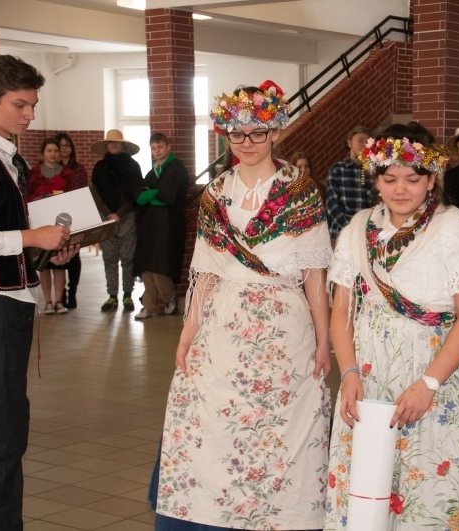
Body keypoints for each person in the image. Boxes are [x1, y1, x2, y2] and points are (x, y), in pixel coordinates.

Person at [154, 80, 332, 530]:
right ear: (225, 134)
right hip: (223, 322)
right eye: (237, 133)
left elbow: (314, 274)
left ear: (276, 131)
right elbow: (207, 273)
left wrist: (324, 339)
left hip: (284, 322)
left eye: (257, 132)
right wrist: (187, 333)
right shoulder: (216, 192)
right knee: (215, 425)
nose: (247, 142)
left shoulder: (301, 190)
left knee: (282, 430)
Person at [325, 122, 459, 530]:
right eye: (390, 179)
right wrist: (348, 373)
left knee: (429, 487)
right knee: (368, 488)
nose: (400, 189)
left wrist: (428, 384)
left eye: (413, 179)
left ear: (432, 179)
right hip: (369, 376)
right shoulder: (358, 228)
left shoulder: (455, 228)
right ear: (375, 181)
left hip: (435, 376)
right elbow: (342, 311)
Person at [0, 54, 77, 531]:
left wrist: (47, 251)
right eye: (19, 105)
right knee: (0, 429)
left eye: (33, 105)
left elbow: (0, 231)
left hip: (1, 301)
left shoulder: (6, 155)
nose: (29, 115)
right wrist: (29, 237)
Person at [133, 132, 190, 320]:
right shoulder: (153, 172)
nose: (157, 151)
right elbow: (139, 197)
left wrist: (152, 193)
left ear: (168, 147)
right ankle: (148, 306)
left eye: (160, 147)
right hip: (151, 224)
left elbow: (168, 196)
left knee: (160, 264)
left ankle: (168, 298)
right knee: (146, 266)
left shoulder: (176, 169)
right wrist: (153, 194)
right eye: (153, 148)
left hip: (169, 223)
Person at [89, 129, 144, 312]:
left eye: (117, 142)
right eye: (110, 142)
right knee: (109, 257)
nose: (113, 145)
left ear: (123, 145)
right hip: (105, 217)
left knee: (128, 258)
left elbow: (136, 192)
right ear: (106, 145)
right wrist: (108, 213)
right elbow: (95, 192)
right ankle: (112, 295)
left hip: (127, 217)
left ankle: (128, 294)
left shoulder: (133, 166)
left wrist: (119, 213)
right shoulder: (99, 167)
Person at [27, 137, 77, 314]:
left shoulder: (67, 173)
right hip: (41, 222)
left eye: (56, 150)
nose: (53, 154)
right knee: (45, 264)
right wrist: (41, 198)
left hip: (61, 221)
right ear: (42, 153)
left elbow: (73, 195)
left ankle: (59, 301)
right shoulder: (33, 173)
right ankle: (48, 301)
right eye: (49, 151)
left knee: (60, 263)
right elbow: (28, 196)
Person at [55, 132, 89, 309]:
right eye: (61, 145)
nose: (64, 148)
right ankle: (60, 295)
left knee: (74, 254)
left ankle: (72, 291)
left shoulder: (79, 168)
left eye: (67, 145)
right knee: (58, 254)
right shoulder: (52, 167)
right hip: (57, 215)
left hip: (75, 214)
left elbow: (84, 191)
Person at [326, 125, 374, 239]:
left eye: (367, 142)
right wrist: (349, 228)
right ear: (349, 143)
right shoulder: (337, 169)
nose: (364, 145)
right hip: (340, 232)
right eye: (360, 141)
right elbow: (331, 204)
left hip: (364, 233)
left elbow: (375, 203)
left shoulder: (372, 170)